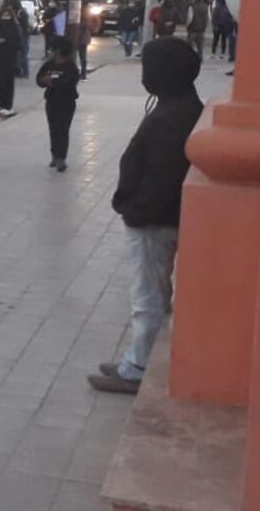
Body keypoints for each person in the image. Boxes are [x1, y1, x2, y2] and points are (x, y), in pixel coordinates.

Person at [89, 38, 203, 395]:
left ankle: (137, 367)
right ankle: (136, 359)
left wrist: (136, 210)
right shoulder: (178, 106)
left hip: (154, 220)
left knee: (146, 296)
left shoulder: (173, 116)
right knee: (153, 291)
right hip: (158, 216)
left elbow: (163, 175)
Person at [37, 37, 81, 172]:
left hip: (66, 102)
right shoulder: (49, 65)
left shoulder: (71, 66)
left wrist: (52, 82)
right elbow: (39, 79)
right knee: (53, 129)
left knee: (63, 129)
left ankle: (61, 157)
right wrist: (44, 81)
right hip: (51, 101)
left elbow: (69, 82)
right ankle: (54, 155)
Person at [0, 4, 23, 117]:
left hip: (9, 58)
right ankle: (2, 102)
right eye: (3, 15)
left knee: (8, 82)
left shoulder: (15, 28)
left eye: (8, 15)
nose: (5, 17)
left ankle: (8, 105)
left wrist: (6, 41)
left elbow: (19, 44)